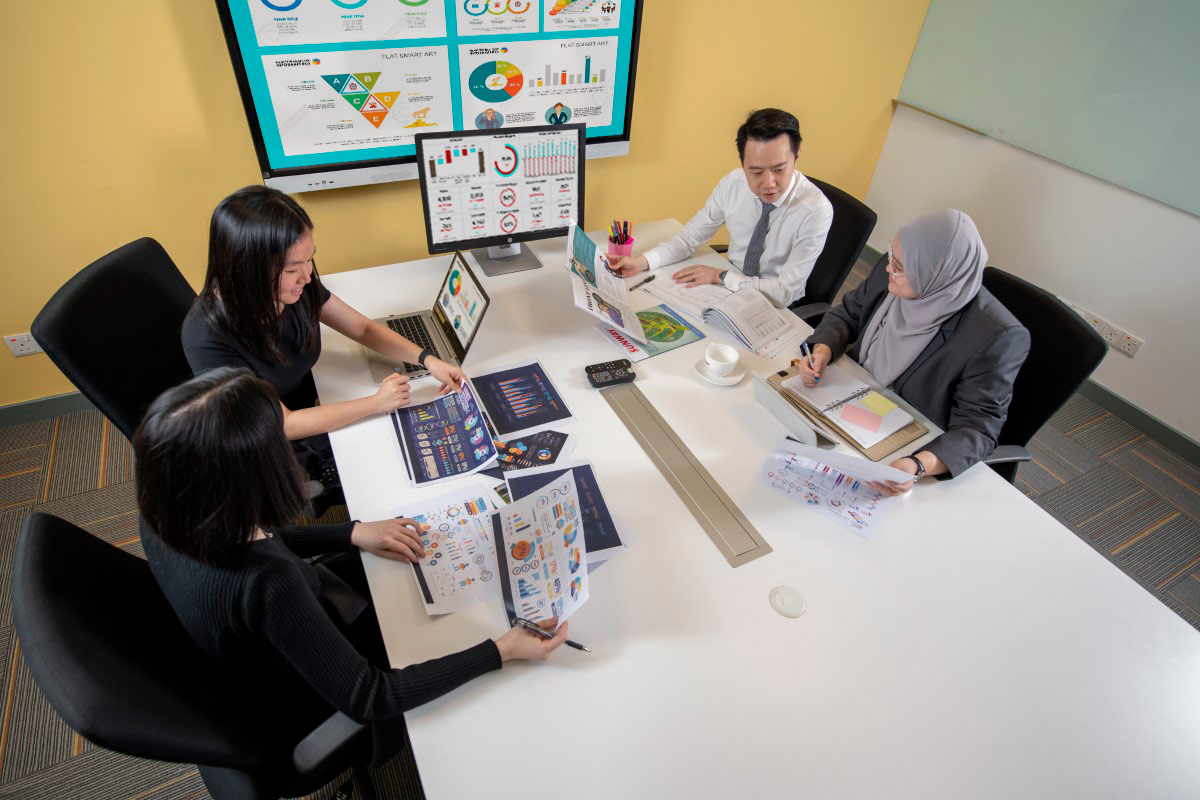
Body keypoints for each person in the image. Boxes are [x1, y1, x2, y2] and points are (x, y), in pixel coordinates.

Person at [135, 367, 567, 762]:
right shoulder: (270, 583)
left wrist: (352, 531)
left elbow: (261, 539)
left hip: (253, 644)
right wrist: (501, 650)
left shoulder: (171, 507)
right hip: (302, 691)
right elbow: (369, 697)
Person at [182, 185, 466, 497]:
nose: (307, 276)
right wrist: (376, 403)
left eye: (309, 260)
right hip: (267, 440)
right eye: (292, 269)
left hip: (313, 399)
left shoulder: (296, 287)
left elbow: (361, 329)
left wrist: (428, 359)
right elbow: (283, 424)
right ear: (249, 269)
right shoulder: (206, 337)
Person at [798, 209, 1030, 493]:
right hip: (848, 395)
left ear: (935, 273)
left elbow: (977, 430)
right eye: (890, 256)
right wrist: (822, 349)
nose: (887, 269)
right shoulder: (893, 269)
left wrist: (917, 466)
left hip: (905, 434)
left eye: (899, 266)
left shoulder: (996, 337)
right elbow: (848, 313)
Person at [608, 108, 832, 308]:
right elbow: (689, 237)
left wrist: (721, 276)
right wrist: (642, 262)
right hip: (728, 288)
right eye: (755, 172)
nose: (768, 183)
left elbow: (784, 293)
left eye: (779, 169)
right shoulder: (733, 184)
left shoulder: (815, 211)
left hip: (774, 305)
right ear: (742, 163)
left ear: (797, 156)